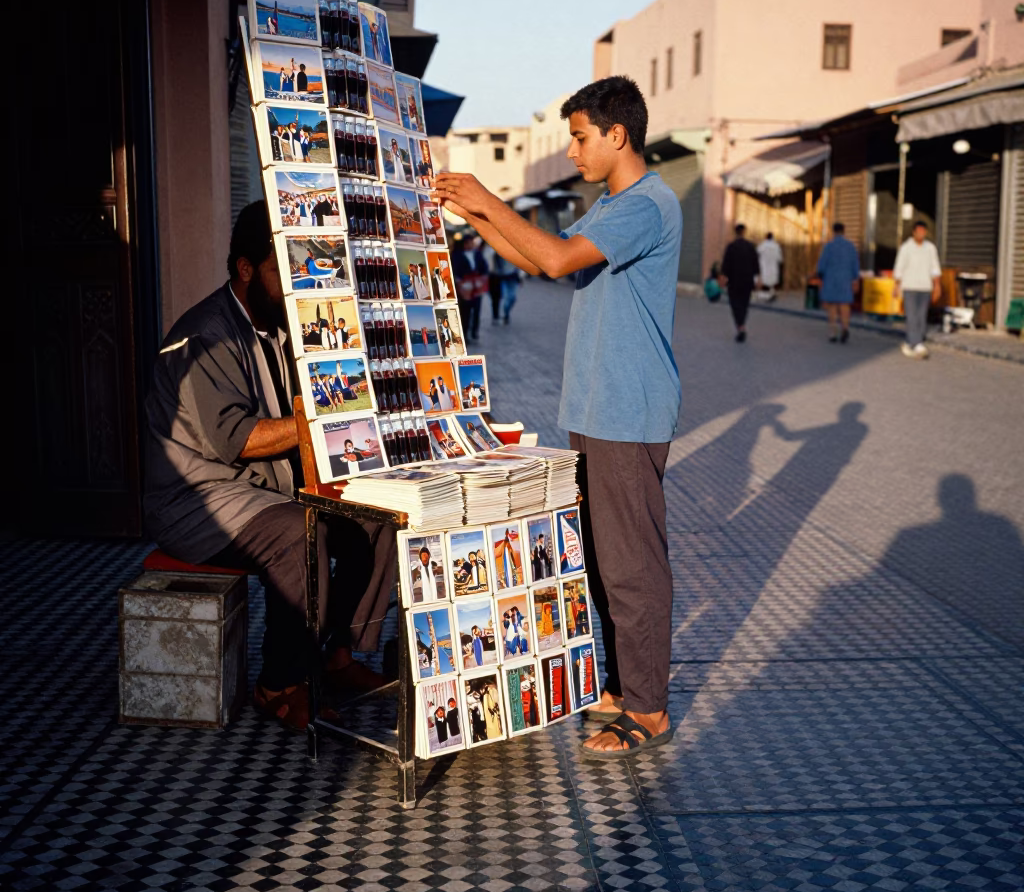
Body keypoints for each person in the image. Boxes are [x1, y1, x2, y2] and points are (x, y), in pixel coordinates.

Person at [435, 75, 677, 759]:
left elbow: (554, 256)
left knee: (632, 564)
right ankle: (622, 684)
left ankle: (649, 707)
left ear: (616, 134)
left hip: (627, 410)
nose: (572, 151)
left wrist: (488, 198)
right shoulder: (612, 205)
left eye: (578, 137)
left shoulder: (646, 205)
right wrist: (472, 214)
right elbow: (541, 261)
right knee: (603, 558)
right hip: (598, 407)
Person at [143, 201, 394, 732]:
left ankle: (337, 655)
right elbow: (240, 439)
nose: (300, 282)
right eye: (287, 269)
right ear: (245, 268)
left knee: (378, 516)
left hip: (263, 487)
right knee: (296, 535)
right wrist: (318, 419)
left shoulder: (281, 322)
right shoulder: (207, 335)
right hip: (197, 500)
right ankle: (278, 682)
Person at [893, 221, 942, 359]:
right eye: (918, 231)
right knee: (911, 316)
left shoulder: (930, 248)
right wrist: (897, 285)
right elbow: (899, 267)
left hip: (925, 286)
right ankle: (917, 343)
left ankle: (912, 341)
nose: (921, 234)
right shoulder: (906, 248)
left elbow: (935, 267)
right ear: (914, 232)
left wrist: (937, 285)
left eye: (923, 231)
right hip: (909, 286)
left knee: (921, 316)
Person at [815, 222, 861, 343]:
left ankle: (833, 332)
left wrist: (820, 276)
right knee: (845, 305)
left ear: (833, 232)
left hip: (831, 279)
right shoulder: (850, 247)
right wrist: (855, 279)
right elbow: (855, 265)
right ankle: (845, 328)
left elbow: (821, 266)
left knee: (832, 306)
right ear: (844, 231)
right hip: (846, 279)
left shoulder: (828, 247)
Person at [719, 223, 760, 342]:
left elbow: (725, 265)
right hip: (747, 281)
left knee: (735, 304)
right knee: (744, 304)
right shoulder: (750, 246)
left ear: (735, 232)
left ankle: (740, 327)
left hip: (734, 282)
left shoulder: (731, 247)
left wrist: (722, 279)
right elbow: (755, 264)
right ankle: (742, 325)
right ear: (744, 232)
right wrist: (757, 280)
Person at [757, 232, 783, 301]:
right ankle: (771, 294)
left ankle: (764, 295)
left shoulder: (762, 246)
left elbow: (757, 255)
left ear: (765, 237)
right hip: (773, 267)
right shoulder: (776, 246)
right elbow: (780, 259)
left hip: (764, 267)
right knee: (772, 281)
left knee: (765, 281)